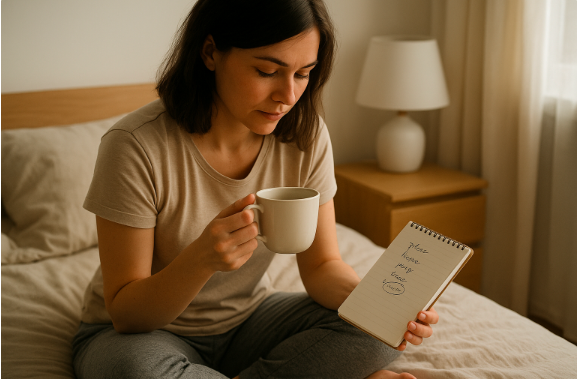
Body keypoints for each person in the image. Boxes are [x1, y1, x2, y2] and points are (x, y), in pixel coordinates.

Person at [72, 0, 438, 378]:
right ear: (211, 52)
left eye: (302, 74)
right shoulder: (134, 146)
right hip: (143, 335)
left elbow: (323, 266)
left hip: (249, 321)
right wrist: (200, 260)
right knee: (134, 372)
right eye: (267, 71)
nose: (288, 96)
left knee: (377, 334)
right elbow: (126, 314)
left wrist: (376, 306)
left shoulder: (305, 138)